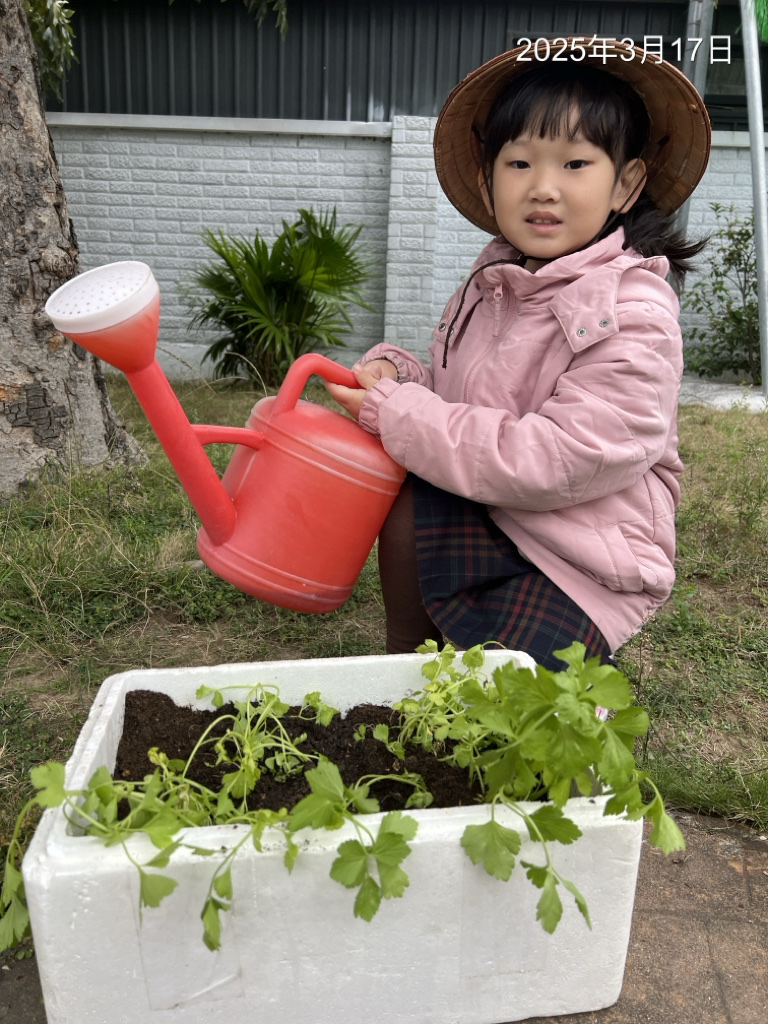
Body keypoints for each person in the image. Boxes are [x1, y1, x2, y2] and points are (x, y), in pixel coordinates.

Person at [325, 38, 711, 670]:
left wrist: (401, 414)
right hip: (497, 511)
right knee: (410, 493)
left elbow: (562, 458)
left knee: (524, 705)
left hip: (578, 558)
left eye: (576, 164)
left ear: (626, 183)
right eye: (520, 163)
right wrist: (402, 376)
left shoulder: (632, 312)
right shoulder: (494, 282)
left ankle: (544, 676)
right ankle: (406, 671)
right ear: (488, 180)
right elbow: (459, 400)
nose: (544, 189)